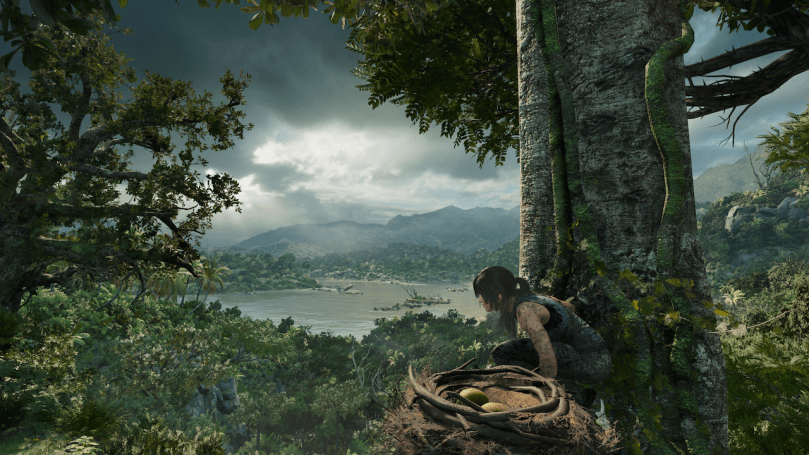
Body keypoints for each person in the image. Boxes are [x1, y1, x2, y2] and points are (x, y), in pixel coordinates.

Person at [473, 266, 611, 407]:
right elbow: (570, 307)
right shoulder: (532, 298)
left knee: (505, 353)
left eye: (482, 294)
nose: (479, 300)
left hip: (593, 365)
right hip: (596, 357)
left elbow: (547, 356)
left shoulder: (525, 310)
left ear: (498, 293)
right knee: (502, 352)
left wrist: (546, 387)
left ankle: (580, 397)